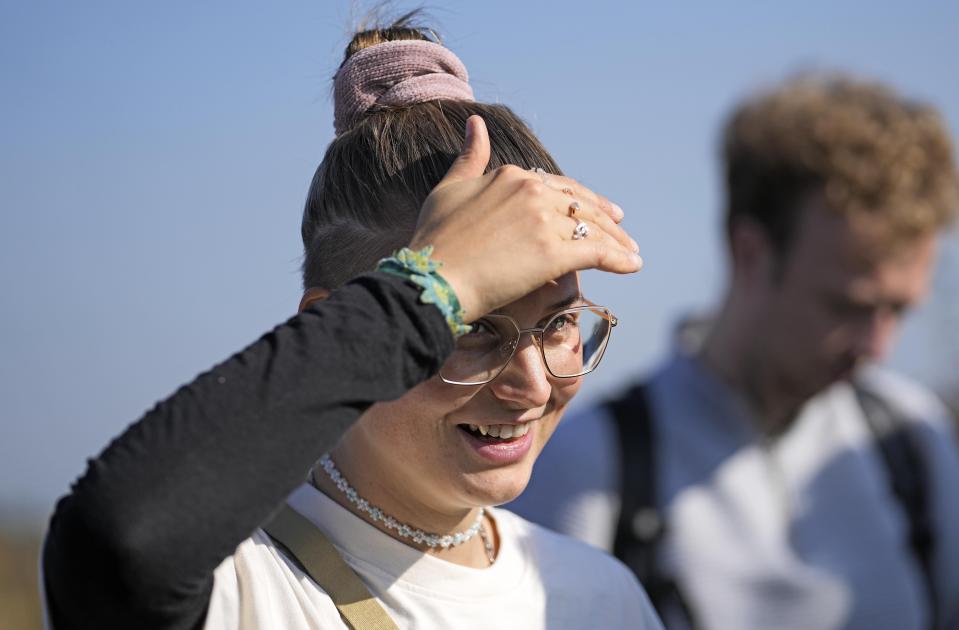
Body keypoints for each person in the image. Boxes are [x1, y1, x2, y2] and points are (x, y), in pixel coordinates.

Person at [41, 17, 662, 630]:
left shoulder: (599, 597)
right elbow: (118, 544)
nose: (533, 385)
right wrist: (433, 283)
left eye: (559, 324)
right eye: (472, 326)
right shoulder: (246, 586)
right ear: (342, 324)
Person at [512, 73, 959, 630]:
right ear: (750, 254)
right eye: (846, 306)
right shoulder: (592, 464)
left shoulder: (912, 439)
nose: (877, 345)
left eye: (898, 310)